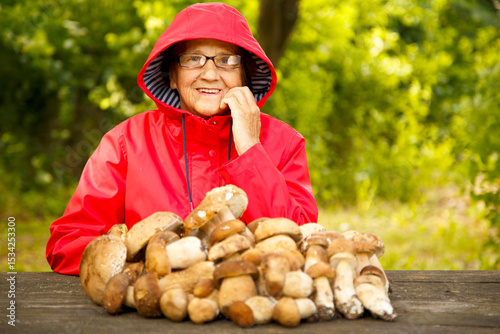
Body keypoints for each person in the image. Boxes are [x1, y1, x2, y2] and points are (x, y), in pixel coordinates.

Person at [46, 2, 318, 275]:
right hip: (149, 308)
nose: (210, 74)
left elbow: (303, 242)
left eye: (226, 60)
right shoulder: (125, 143)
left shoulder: (285, 143)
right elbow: (67, 242)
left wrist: (250, 151)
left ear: (244, 74)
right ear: (172, 76)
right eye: (192, 59)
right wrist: (148, 263)